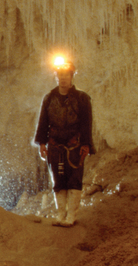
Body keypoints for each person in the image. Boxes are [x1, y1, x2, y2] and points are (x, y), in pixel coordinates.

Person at [34, 55, 94, 227]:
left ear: (71, 77)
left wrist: (86, 144)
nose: (63, 79)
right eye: (60, 75)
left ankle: (71, 216)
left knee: (74, 179)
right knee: (59, 181)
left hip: (74, 146)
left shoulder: (82, 99)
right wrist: (42, 143)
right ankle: (61, 215)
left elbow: (86, 123)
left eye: (66, 75)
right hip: (55, 146)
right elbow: (43, 122)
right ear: (56, 77)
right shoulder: (49, 98)